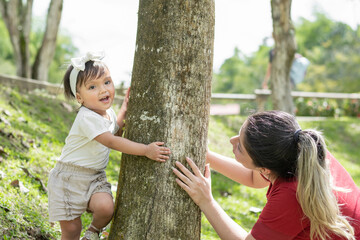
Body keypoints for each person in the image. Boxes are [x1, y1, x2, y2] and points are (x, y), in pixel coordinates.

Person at [173, 110, 360, 240]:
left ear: (265, 169)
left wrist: (206, 201)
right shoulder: (303, 152)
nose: (231, 140)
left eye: (240, 146)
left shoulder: (292, 194)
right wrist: (208, 157)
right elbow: (253, 179)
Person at [47, 51, 171, 240]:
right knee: (72, 229)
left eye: (107, 82)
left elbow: (115, 129)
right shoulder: (86, 117)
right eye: (92, 87)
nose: (103, 90)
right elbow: (112, 141)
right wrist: (145, 150)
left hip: (95, 176)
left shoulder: (107, 113)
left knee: (106, 208)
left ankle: (92, 232)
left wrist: (124, 110)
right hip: (69, 178)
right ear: (79, 98)